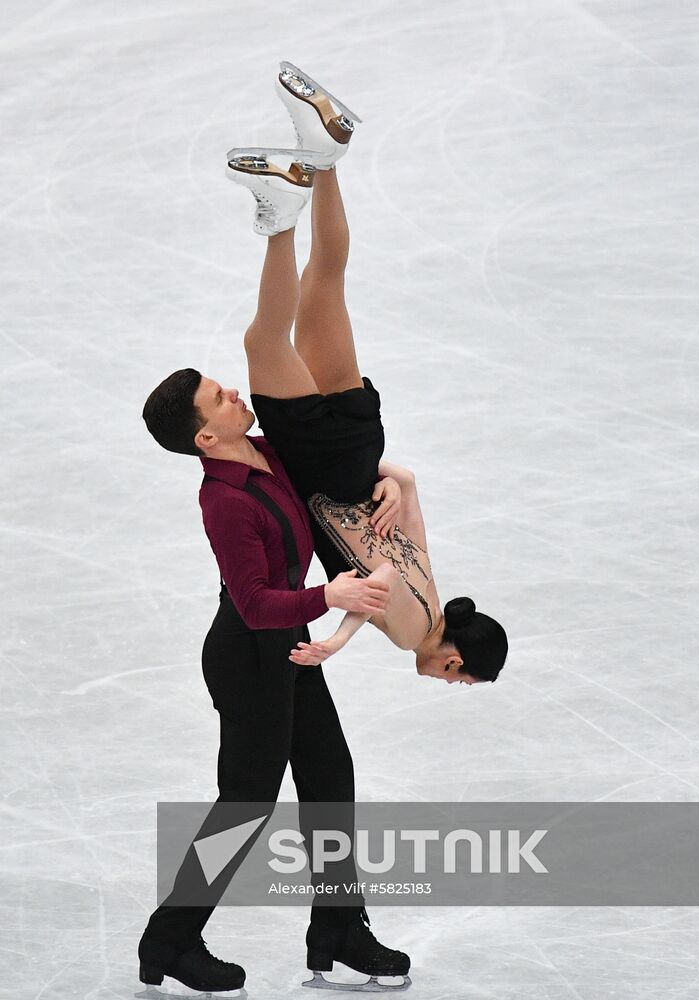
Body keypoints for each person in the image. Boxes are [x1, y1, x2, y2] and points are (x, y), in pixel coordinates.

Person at [137, 61, 412, 998]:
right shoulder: (222, 494)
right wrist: (331, 597)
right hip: (252, 649)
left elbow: (333, 463)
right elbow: (255, 603)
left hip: (283, 645)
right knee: (247, 802)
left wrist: (386, 473)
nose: (234, 391)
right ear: (203, 435)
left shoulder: (259, 453)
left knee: (327, 782)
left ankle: (339, 931)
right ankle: (168, 942)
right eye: (221, 396)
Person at [224, 62, 509, 685]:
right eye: (459, 680)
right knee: (265, 337)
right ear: (456, 660)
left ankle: (323, 156)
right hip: (324, 462)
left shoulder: (433, 583)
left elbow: (406, 482)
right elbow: (374, 583)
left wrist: (393, 480)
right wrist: (337, 638)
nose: (446, 682)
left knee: (325, 284)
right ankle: (279, 209)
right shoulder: (416, 631)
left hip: (359, 442)